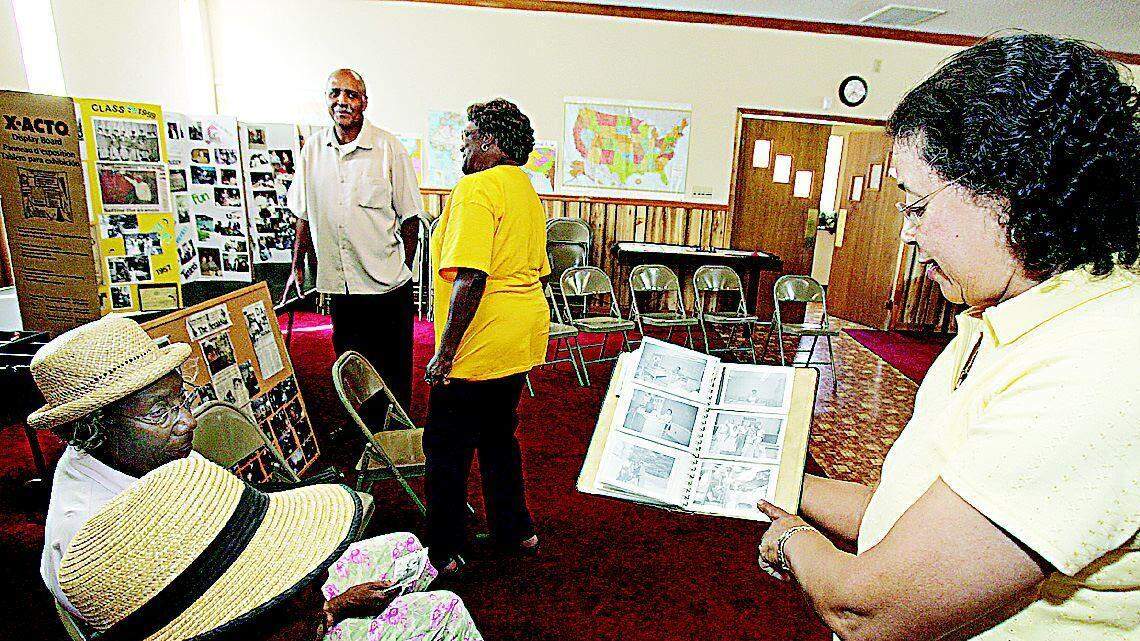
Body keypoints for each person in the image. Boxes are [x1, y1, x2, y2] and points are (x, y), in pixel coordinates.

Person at [755, 34, 1139, 641]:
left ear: (1007, 195)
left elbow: (870, 612)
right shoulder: (994, 318)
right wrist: (772, 482)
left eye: (916, 205)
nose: (908, 234)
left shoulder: (1103, 361)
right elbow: (909, 515)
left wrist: (791, 543)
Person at [58, 456, 482, 640]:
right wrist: (334, 608)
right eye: (160, 408)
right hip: (258, 606)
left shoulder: (130, 492)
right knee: (444, 607)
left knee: (406, 549)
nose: (187, 419)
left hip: (231, 588)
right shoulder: (88, 524)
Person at [423, 98, 549, 572]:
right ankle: (516, 530)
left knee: (444, 445)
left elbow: (471, 276)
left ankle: (444, 549)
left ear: (491, 144)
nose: (462, 150)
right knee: (499, 436)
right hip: (521, 335)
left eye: (468, 140)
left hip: (481, 338)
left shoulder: (476, 188)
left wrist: (445, 352)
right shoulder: (525, 188)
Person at [27, 316, 199, 615]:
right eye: (159, 412)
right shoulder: (92, 541)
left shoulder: (134, 454)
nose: (188, 420)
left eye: (182, 399)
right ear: (94, 427)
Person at [286, 68, 424, 410]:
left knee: (391, 369)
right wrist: (295, 268)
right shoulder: (313, 150)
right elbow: (302, 214)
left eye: (350, 95)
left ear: (364, 102)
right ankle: (361, 429)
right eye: (335, 93)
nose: (342, 101)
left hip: (386, 287)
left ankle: (393, 434)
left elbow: (411, 219)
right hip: (340, 284)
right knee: (349, 365)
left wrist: (399, 268)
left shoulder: (389, 148)